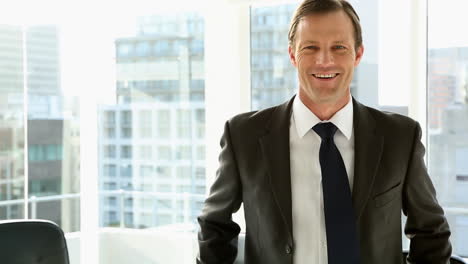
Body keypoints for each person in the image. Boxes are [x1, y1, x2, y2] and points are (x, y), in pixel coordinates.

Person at [197, 0, 452, 263]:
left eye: (339, 47)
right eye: (311, 47)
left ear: (358, 53)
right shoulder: (243, 136)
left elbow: (431, 233)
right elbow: (214, 227)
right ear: (293, 55)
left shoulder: (400, 137)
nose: (325, 60)